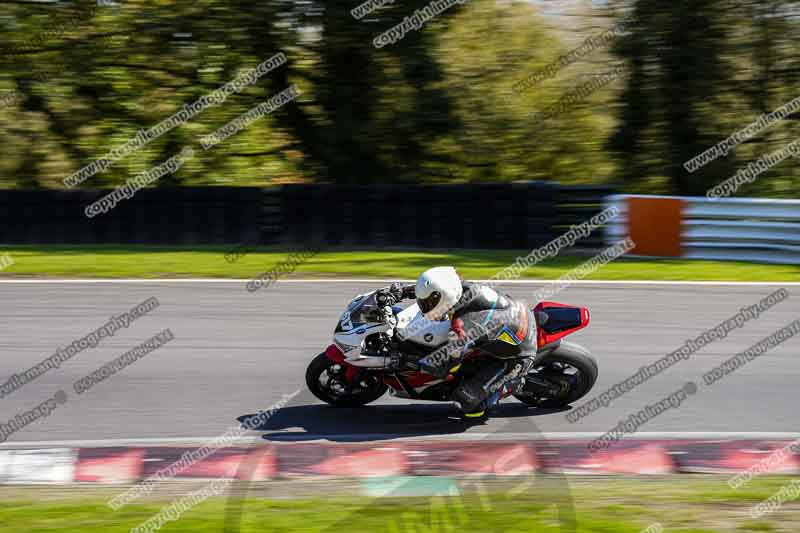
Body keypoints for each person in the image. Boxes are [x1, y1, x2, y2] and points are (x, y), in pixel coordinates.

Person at [375, 266, 537, 418]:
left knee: (466, 403)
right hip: (514, 317)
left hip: (518, 354)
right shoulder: (459, 288)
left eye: (428, 304)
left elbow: (447, 364)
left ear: (445, 298)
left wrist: (410, 361)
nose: (424, 307)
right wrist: (401, 292)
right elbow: (433, 290)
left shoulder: (463, 326)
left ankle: (512, 383)